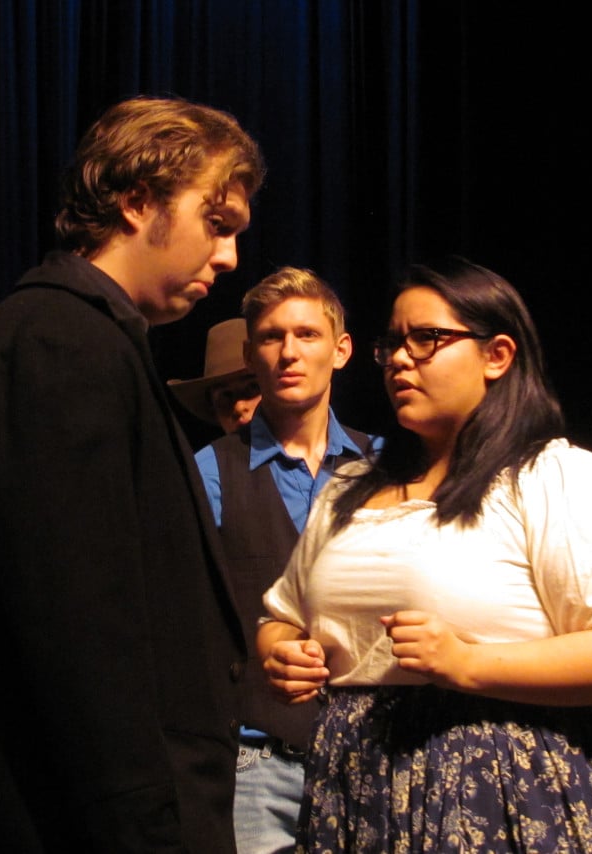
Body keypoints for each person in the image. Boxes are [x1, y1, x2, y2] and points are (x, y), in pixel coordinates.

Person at [0, 95, 265, 852]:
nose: (230, 257)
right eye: (218, 224)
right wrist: (143, 827)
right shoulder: (61, 341)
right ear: (138, 200)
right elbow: (79, 625)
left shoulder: (96, 338)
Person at [257, 256, 592, 853]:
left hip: (507, 786)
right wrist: (281, 652)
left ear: (497, 355)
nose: (401, 358)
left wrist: (467, 664)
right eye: (394, 343)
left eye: (427, 339)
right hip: (358, 788)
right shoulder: (348, 488)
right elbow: (283, 614)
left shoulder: (555, 479)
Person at [194, 266, 376, 854]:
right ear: (250, 353)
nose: (288, 352)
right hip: (258, 763)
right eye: (271, 337)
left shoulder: (387, 468)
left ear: (341, 349)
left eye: (307, 334)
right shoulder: (209, 471)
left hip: (373, 754)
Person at [169, 317, 263, 434]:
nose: (239, 407)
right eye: (225, 395)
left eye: (253, 387)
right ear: (213, 408)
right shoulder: (209, 453)